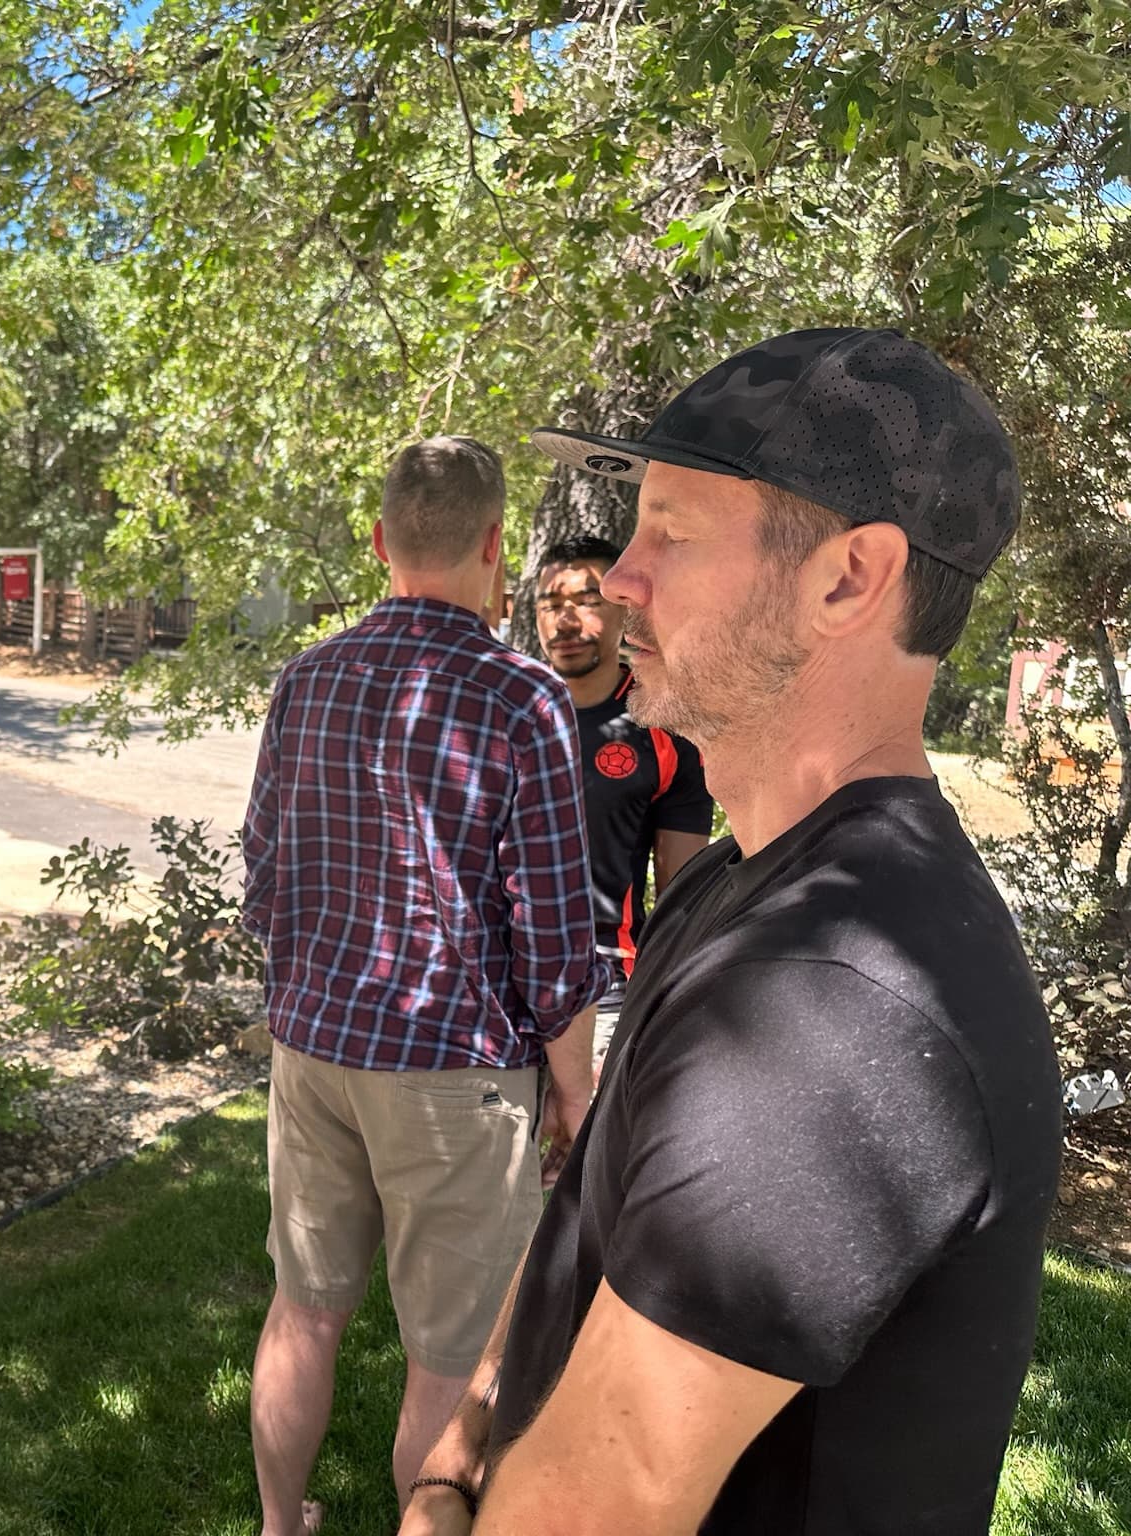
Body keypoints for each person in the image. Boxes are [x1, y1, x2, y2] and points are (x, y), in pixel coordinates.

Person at [400, 329, 1061, 1535]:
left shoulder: (832, 1008)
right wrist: (466, 1433)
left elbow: (598, 1509)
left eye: (673, 531)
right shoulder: (737, 881)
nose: (618, 579)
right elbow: (591, 1204)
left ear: (848, 579)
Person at [241, 436, 608, 1536]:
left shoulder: (305, 680)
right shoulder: (524, 699)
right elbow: (550, 927)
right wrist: (574, 1086)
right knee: (447, 1366)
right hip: (452, 1075)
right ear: (497, 547)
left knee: (302, 1313)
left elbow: (264, 874)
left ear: (378, 542)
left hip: (311, 1052)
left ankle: (275, 1524)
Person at [531, 533, 714, 1074]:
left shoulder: (663, 728)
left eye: (587, 601)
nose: (566, 622)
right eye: (551, 605)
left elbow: (682, 894)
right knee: (502, 1156)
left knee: (587, 1158)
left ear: (621, 609)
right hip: (501, 987)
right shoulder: (504, 713)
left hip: (606, 989)